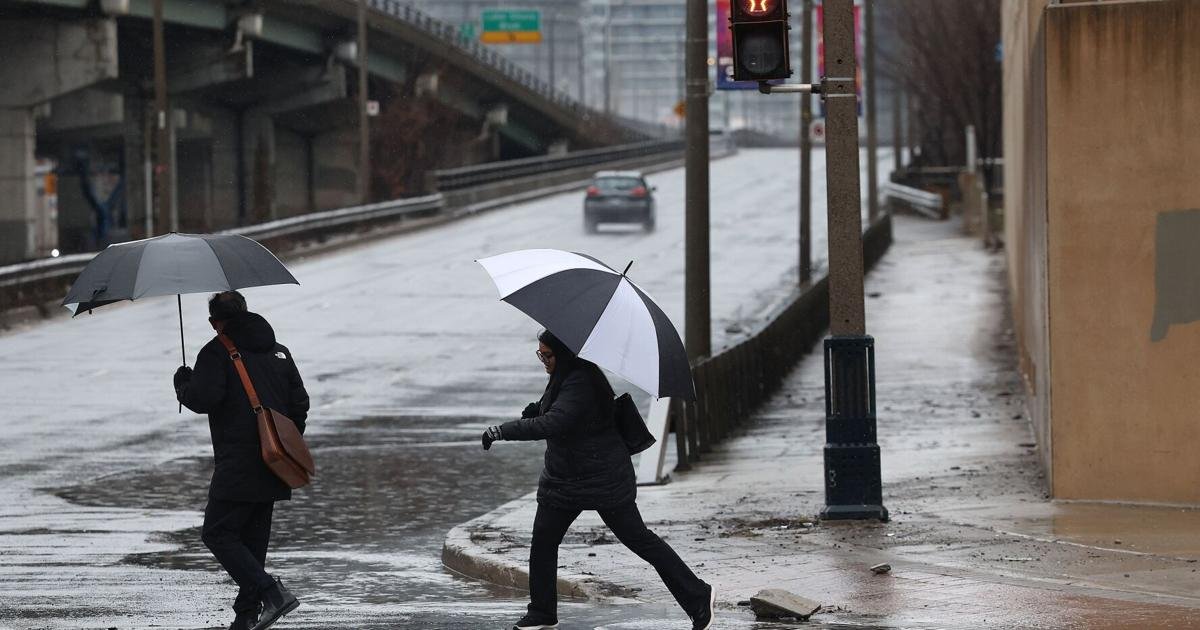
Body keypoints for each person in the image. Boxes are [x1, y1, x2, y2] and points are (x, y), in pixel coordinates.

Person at [482, 330, 715, 630]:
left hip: (602, 479)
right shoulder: (566, 373)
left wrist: (504, 430)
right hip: (565, 481)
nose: (544, 360)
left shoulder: (581, 380)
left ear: (563, 354)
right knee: (543, 540)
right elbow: (559, 412)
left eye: (548, 355)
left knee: (639, 540)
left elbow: (558, 421)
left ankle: (698, 596)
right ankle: (542, 613)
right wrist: (537, 409)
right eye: (540, 354)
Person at [174, 291, 310, 630]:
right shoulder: (279, 351)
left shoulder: (217, 351)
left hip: (238, 462)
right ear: (246, 313)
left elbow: (204, 398)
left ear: (215, 322)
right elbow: (300, 404)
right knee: (252, 540)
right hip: (276, 460)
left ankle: (271, 592)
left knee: (217, 533)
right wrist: (279, 443)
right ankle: (246, 615)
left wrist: (182, 385)